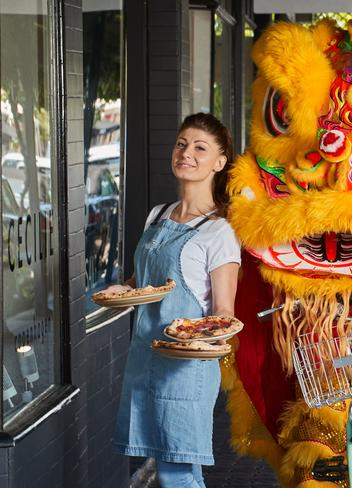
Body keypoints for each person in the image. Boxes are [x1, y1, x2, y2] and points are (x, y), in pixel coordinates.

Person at [110, 113, 240, 488]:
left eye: (200, 147)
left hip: (185, 368)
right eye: (182, 144)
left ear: (219, 162)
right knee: (178, 468)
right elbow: (140, 284)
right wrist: (120, 292)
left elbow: (224, 313)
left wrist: (203, 341)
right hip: (145, 356)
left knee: (175, 473)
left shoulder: (219, 232)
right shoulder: (158, 214)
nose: (187, 153)